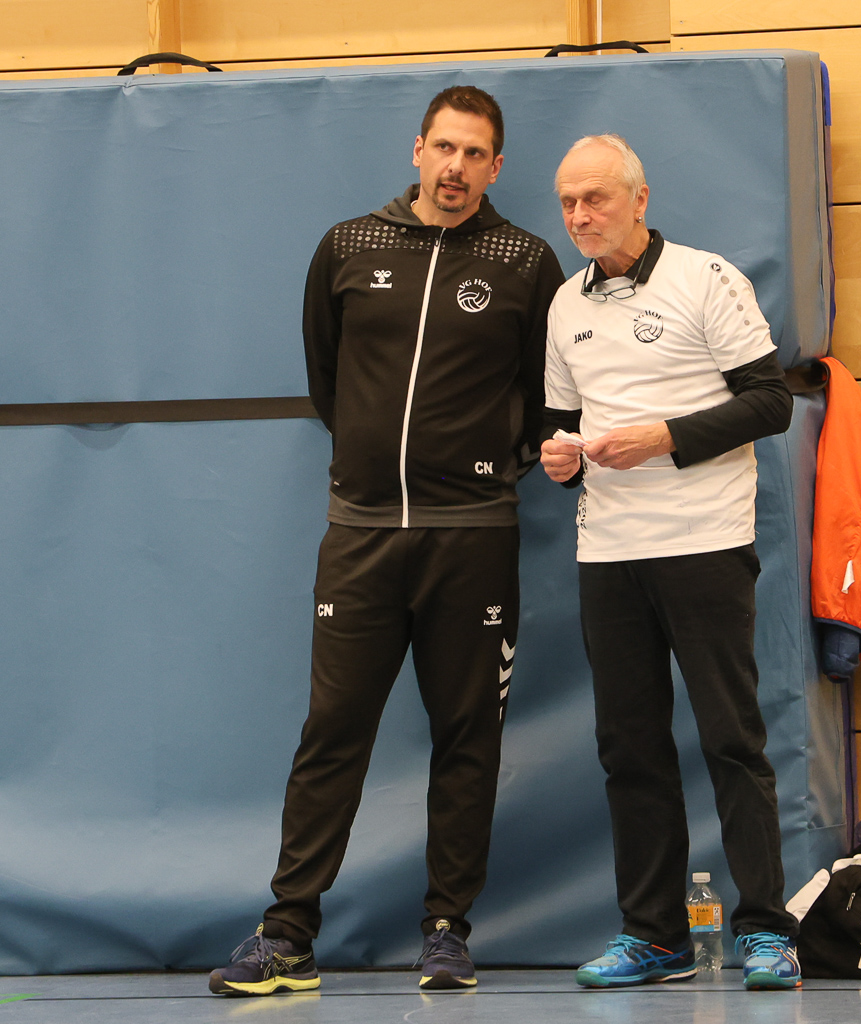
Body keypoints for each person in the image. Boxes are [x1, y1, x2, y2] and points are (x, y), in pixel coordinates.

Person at [209, 86, 563, 996]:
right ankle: (288, 933)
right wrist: (374, 472)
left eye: (475, 154)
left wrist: (485, 472)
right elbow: (328, 381)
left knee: (467, 738)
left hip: (472, 540)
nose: (456, 167)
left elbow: (549, 394)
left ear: (495, 167)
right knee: (332, 733)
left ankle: (447, 931)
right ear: (417, 149)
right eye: (444, 147)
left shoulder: (526, 262)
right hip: (361, 535)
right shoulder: (348, 246)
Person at [541, 134, 801, 991]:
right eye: (569, 202)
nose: (580, 215)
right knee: (630, 748)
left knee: (731, 739)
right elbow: (560, 423)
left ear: (640, 198)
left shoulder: (706, 278)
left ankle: (766, 931)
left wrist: (665, 438)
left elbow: (771, 402)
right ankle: (654, 938)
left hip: (703, 543)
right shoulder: (565, 304)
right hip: (608, 552)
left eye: (596, 198)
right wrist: (557, 456)